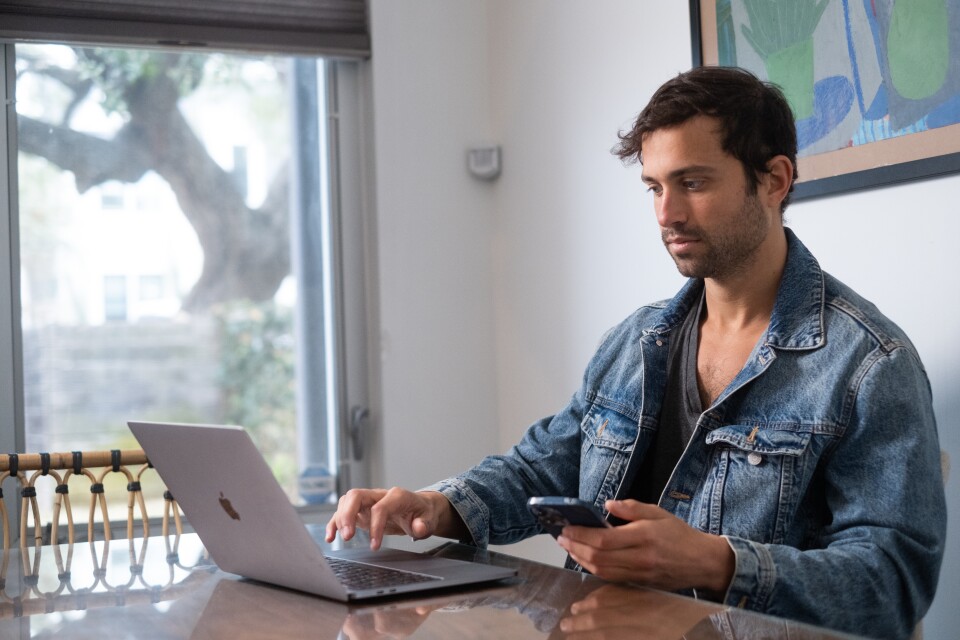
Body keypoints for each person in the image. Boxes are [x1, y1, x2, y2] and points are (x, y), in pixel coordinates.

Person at [326, 66, 946, 639]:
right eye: (654, 187)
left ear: (774, 180)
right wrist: (438, 507)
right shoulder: (635, 341)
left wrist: (716, 562)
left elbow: (892, 585)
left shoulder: (869, 365)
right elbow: (546, 467)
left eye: (692, 183)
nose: (667, 214)